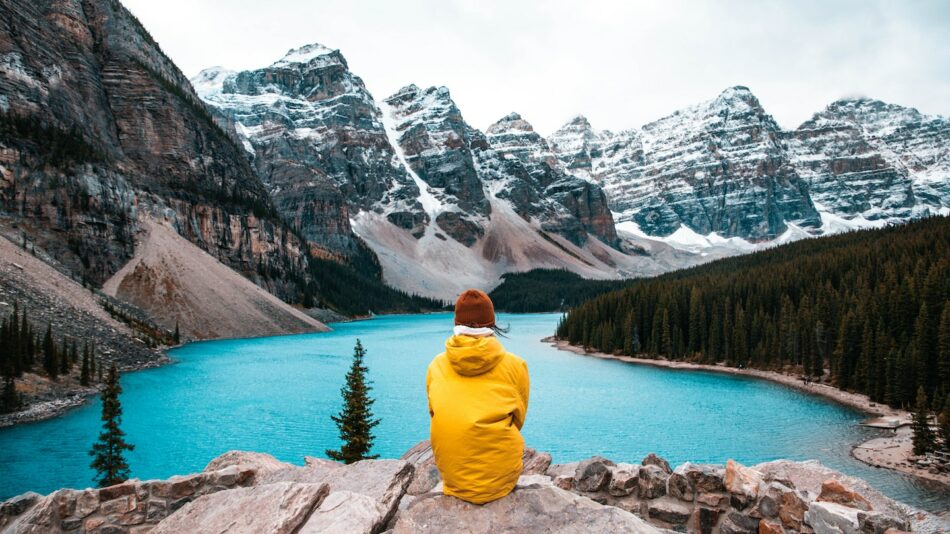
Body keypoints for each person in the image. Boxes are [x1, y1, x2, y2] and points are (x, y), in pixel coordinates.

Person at [425, 289, 530, 504]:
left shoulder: (436, 365)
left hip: (453, 479)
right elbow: (518, 419)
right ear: (491, 323)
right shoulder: (515, 365)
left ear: (456, 323)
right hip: (500, 481)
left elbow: (435, 413)